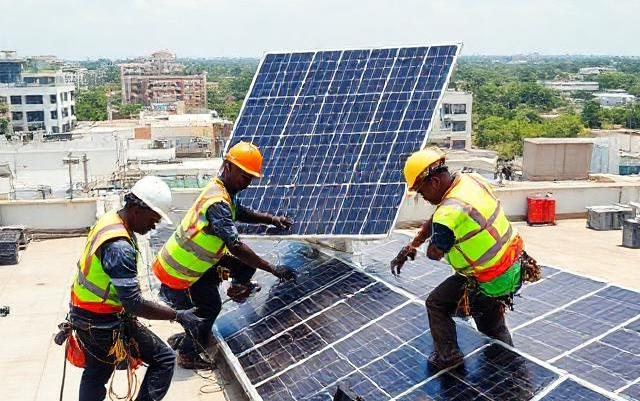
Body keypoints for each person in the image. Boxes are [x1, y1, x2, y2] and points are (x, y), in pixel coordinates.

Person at [153, 141, 296, 369]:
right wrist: (272, 268)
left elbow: (240, 212)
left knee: (244, 267)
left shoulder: (223, 190)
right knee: (209, 308)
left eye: (251, 178)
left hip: (194, 264)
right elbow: (236, 245)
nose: (247, 182)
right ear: (228, 166)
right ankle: (188, 354)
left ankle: (230, 296)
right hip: (179, 274)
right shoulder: (217, 202)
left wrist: (271, 219)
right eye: (244, 176)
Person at [391, 147, 537, 370]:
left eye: (421, 192)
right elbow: (440, 214)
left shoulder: (449, 212)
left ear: (434, 183)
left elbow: (435, 252)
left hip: (486, 280)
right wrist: (414, 243)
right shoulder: (470, 181)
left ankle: (449, 357)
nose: (424, 198)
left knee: (437, 304)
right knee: (493, 325)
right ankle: (509, 365)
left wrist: (429, 246)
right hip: (513, 265)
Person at [65, 176, 204, 401]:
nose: (154, 225)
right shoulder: (119, 247)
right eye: (154, 218)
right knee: (164, 359)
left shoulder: (111, 220)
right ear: (138, 209)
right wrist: (177, 315)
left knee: (96, 373)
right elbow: (134, 303)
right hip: (100, 322)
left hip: (86, 314)